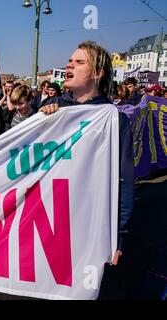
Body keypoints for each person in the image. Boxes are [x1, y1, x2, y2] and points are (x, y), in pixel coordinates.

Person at [39, 42, 134, 295]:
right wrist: (40, 121)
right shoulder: (55, 108)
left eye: (79, 62)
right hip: (50, 219)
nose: (69, 65)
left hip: (88, 223)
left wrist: (119, 234)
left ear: (97, 73)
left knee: (80, 289)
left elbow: (122, 181)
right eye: (70, 60)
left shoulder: (114, 119)